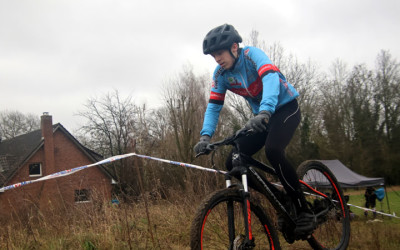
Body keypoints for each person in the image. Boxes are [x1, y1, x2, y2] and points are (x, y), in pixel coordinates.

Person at [194, 24, 315, 235]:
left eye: (220, 53)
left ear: (234, 47)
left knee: (274, 150)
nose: (217, 59)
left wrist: (266, 111)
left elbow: (270, 78)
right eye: (213, 56)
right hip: (263, 116)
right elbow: (214, 105)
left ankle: (303, 209)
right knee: (233, 160)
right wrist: (205, 136)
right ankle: (283, 201)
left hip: (285, 107)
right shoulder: (221, 74)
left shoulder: (252, 55)